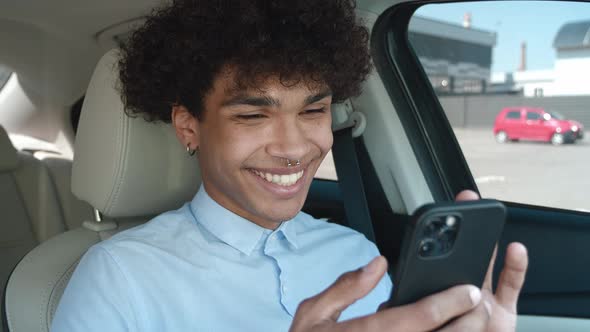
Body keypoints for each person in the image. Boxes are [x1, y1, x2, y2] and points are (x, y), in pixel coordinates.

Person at [51, 0, 528, 331]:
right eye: (254, 115)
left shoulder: (356, 255)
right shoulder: (119, 276)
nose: (295, 148)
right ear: (188, 126)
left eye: (313, 110)